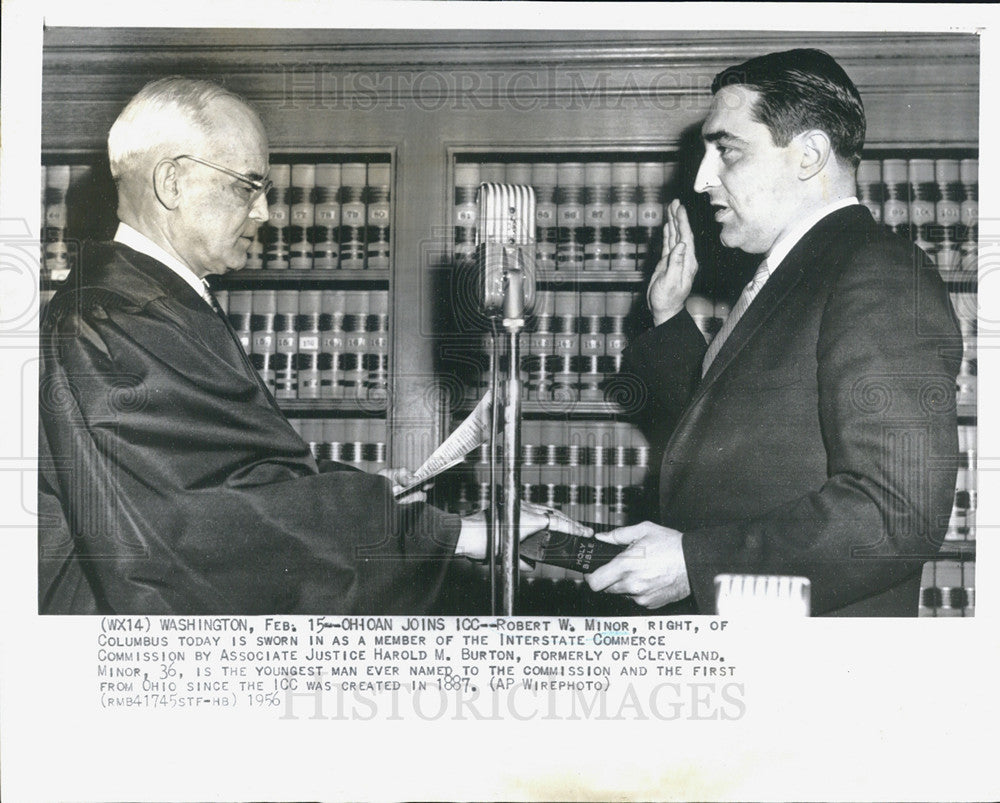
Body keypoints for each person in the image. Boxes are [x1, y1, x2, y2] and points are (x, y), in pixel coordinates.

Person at [38, 77, 588, 615]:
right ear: (172, 183)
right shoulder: (109, 316)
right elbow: (198, 526)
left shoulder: (152, 299)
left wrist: (371, 496)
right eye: (246, 187)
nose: (265, 214)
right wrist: (456, 534)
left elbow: (240, 474)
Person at [586, 49, 961, 616]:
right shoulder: (793, 269)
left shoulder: (879, 272)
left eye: (726, 151)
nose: (701, 179)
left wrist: (694, 564)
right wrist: (668, 319)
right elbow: (726, 446)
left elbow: (894, 512)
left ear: (808, 154)